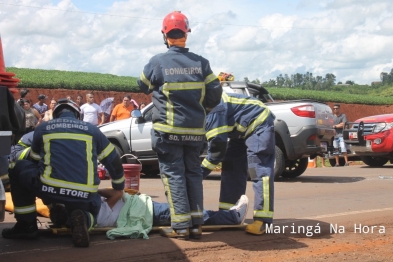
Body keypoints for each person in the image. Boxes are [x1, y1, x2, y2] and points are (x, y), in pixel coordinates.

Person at [137, 11, 222, 240]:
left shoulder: (158, 61)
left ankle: (181, 227)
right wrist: (200, 108)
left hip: (168, 132)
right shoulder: (201, 63)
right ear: (187, 34)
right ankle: (196, 225)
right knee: (193, 175)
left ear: (165, 35)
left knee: (174, 175)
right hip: (195, 132)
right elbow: (215, 95)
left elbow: (142, 85)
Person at [2, 98, 125, 248]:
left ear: (56, 114)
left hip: (49, 190)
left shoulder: (43, 128)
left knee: (17, 168)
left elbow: (34, 161)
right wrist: (119, 186)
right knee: (88, 213)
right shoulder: (92, 130)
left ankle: (26, 226)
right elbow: (114, 160)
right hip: (85, 196)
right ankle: (85, 220)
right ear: (77, 114)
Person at [201, 91, 275, 236]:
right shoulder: (201, 109)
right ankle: (229, 215)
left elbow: (217, 151)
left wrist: (199, 173)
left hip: (259, 123)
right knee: (231, 167)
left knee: (258, 169)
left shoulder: (213, 109)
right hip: (239, 131)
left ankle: (263, 220)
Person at [96, 189, 248, 231]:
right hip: (144, 212)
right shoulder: (98, 214)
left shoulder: (94, 209)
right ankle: (233, 216)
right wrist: (100, 192)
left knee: (186, 211)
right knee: (188, 213)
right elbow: (117, 193)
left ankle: (230, 215)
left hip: (142, 208)